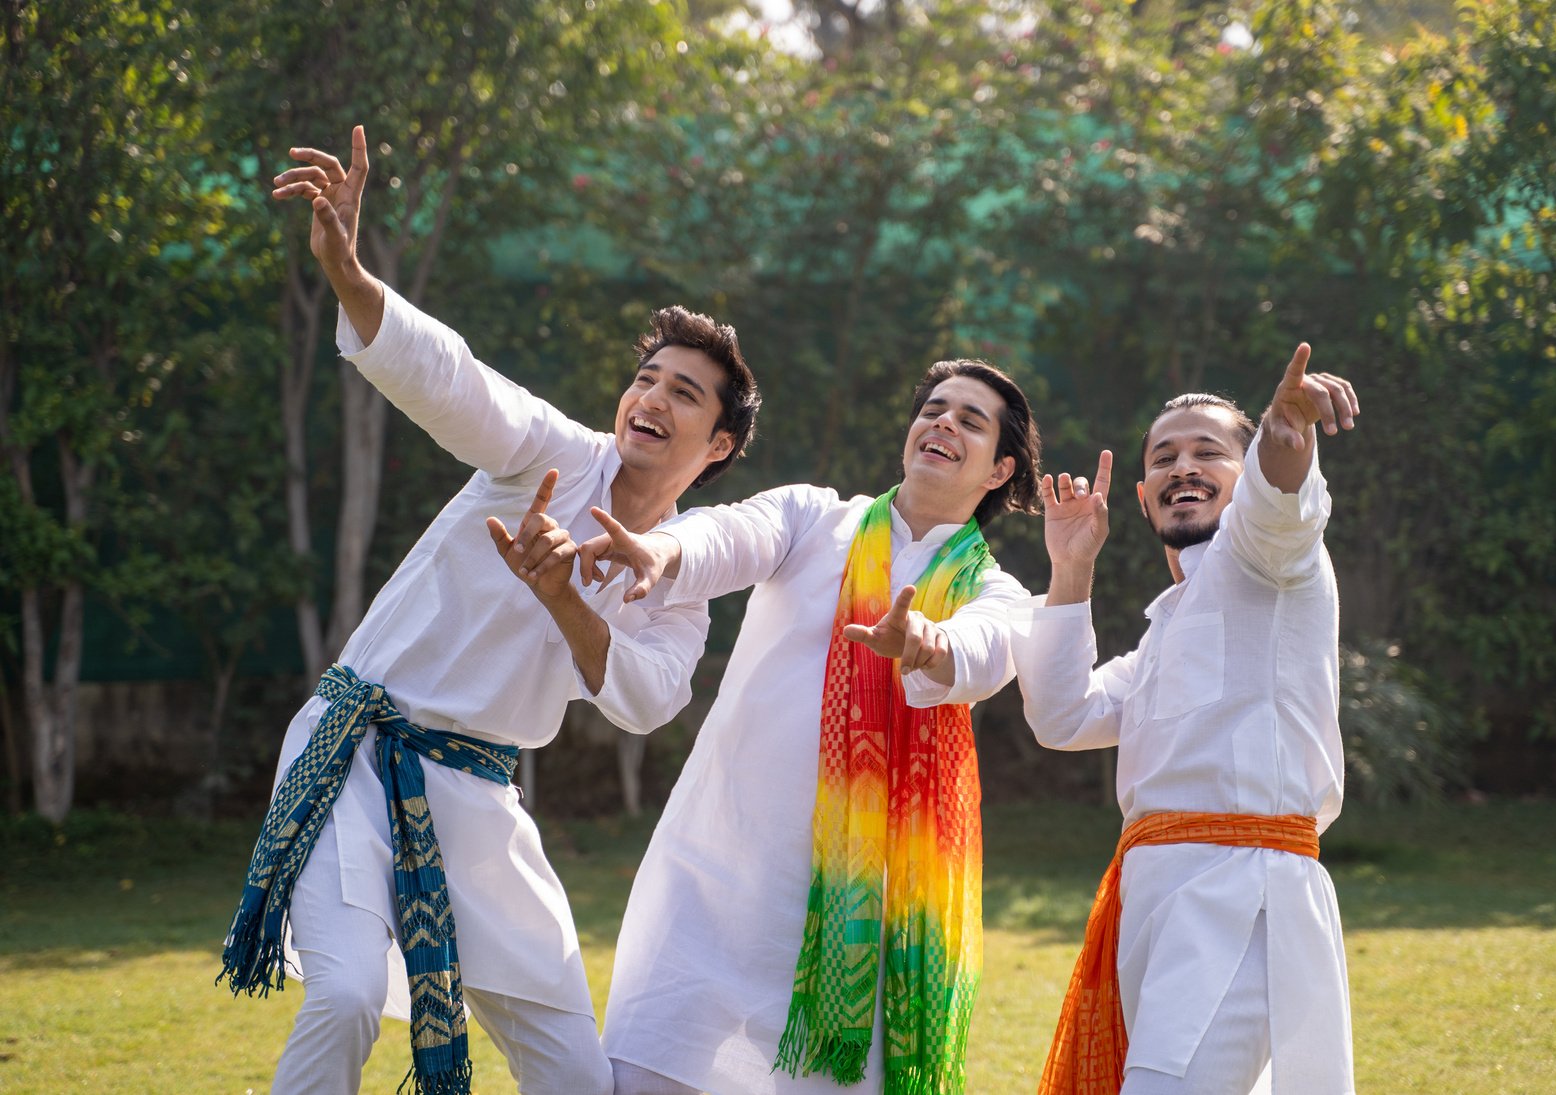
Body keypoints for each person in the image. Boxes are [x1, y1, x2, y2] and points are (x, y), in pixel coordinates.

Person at [218, 126, 760, 1095]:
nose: (651, 400)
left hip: (482, 801)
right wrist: (351, 278)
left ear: (716, 446)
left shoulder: (677, 576)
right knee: (342, 999)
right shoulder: (544, 450)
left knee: (576, 1081)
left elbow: (645, 698)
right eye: (646, 378)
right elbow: (455, 381)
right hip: (357, 759)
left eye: (684, 394)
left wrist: (564, 600)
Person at [578, 360, 1043, 1095]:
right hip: (714, 877)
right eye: (932, 407)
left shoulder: (997, 593)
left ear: (999, 470)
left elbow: (983, 650)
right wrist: (661, 548)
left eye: (969, 420)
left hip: (860, 922)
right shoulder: (812, 517)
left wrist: (922, 642)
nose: (941, 422)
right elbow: (727, 534)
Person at [1013, 345, 1359, 1095]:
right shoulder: (1162, 631)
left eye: (1209, 451)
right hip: (1156, 904)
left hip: (1239, 895)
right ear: (1141, 498)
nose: (1182, 466)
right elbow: (1060, 714)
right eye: (1163, 457)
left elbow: (1280, 502)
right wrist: (1070, 567)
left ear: (1245, 479)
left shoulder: (1269, 559)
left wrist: (1282, 430)